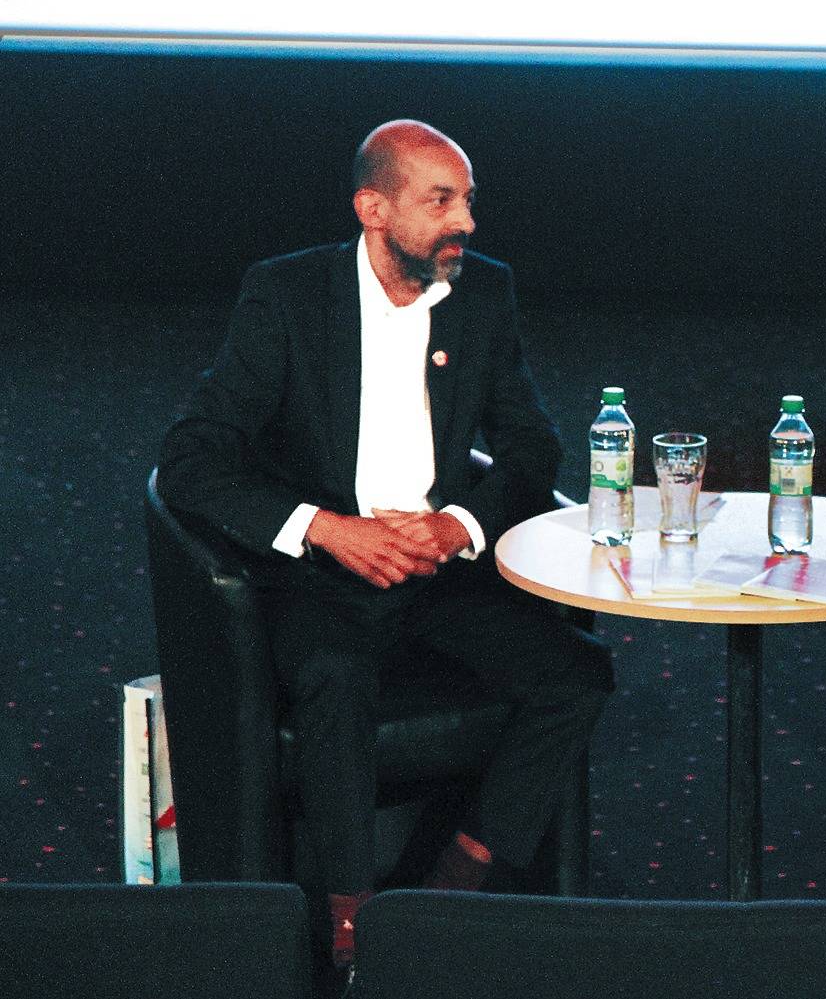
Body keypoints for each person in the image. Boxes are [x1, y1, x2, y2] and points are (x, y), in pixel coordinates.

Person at [157, 120, 613, 981]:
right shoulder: (287, 296)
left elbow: (530, 449)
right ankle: (351, 920)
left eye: (468, 199)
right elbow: (191, 459)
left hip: (437, 571)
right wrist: (328, 528)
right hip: (325, 573)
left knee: (578, 673)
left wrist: (456, 527)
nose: (466, 221)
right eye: (441, 200)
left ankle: (460, 874)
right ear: (374, 208)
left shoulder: (484, 296)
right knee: (336, 678)